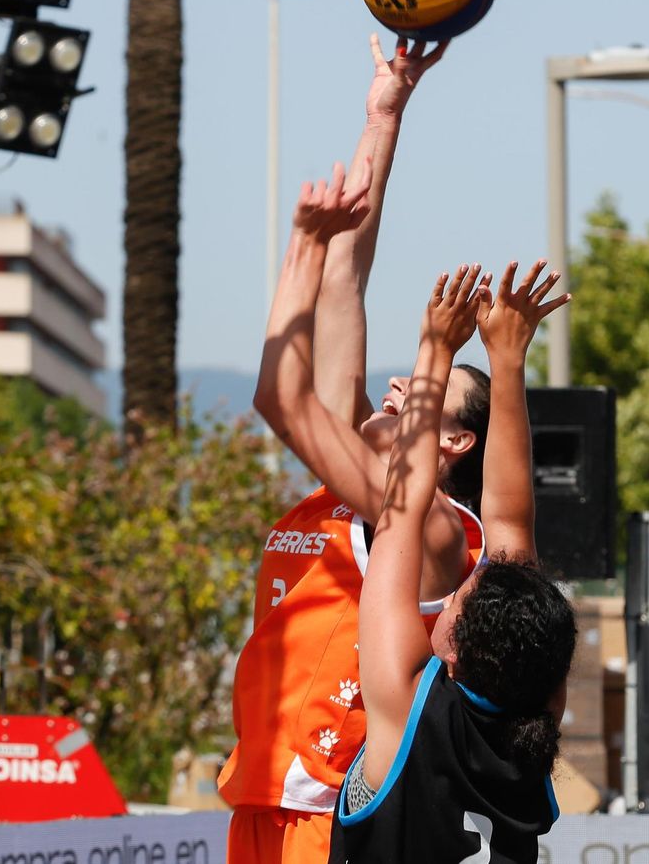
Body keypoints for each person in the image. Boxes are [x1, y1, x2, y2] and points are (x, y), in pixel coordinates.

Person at [221, 43, 548, 862]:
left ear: (454, 442)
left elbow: (285, 389)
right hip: (262, 790)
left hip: (328, 802)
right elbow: (343, 279)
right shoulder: (359, 482)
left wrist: (451, 357)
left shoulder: (423, 521)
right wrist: (384, 115)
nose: (396, 388)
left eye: (422, 395)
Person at [330, 261, 575, 864]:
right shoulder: (528, 733)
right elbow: (510, 527)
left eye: (463, 597)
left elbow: (402, 511)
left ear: (454, 648)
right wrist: (504, 360)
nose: (464, 584)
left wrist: (437, 353)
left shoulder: (411, 719)